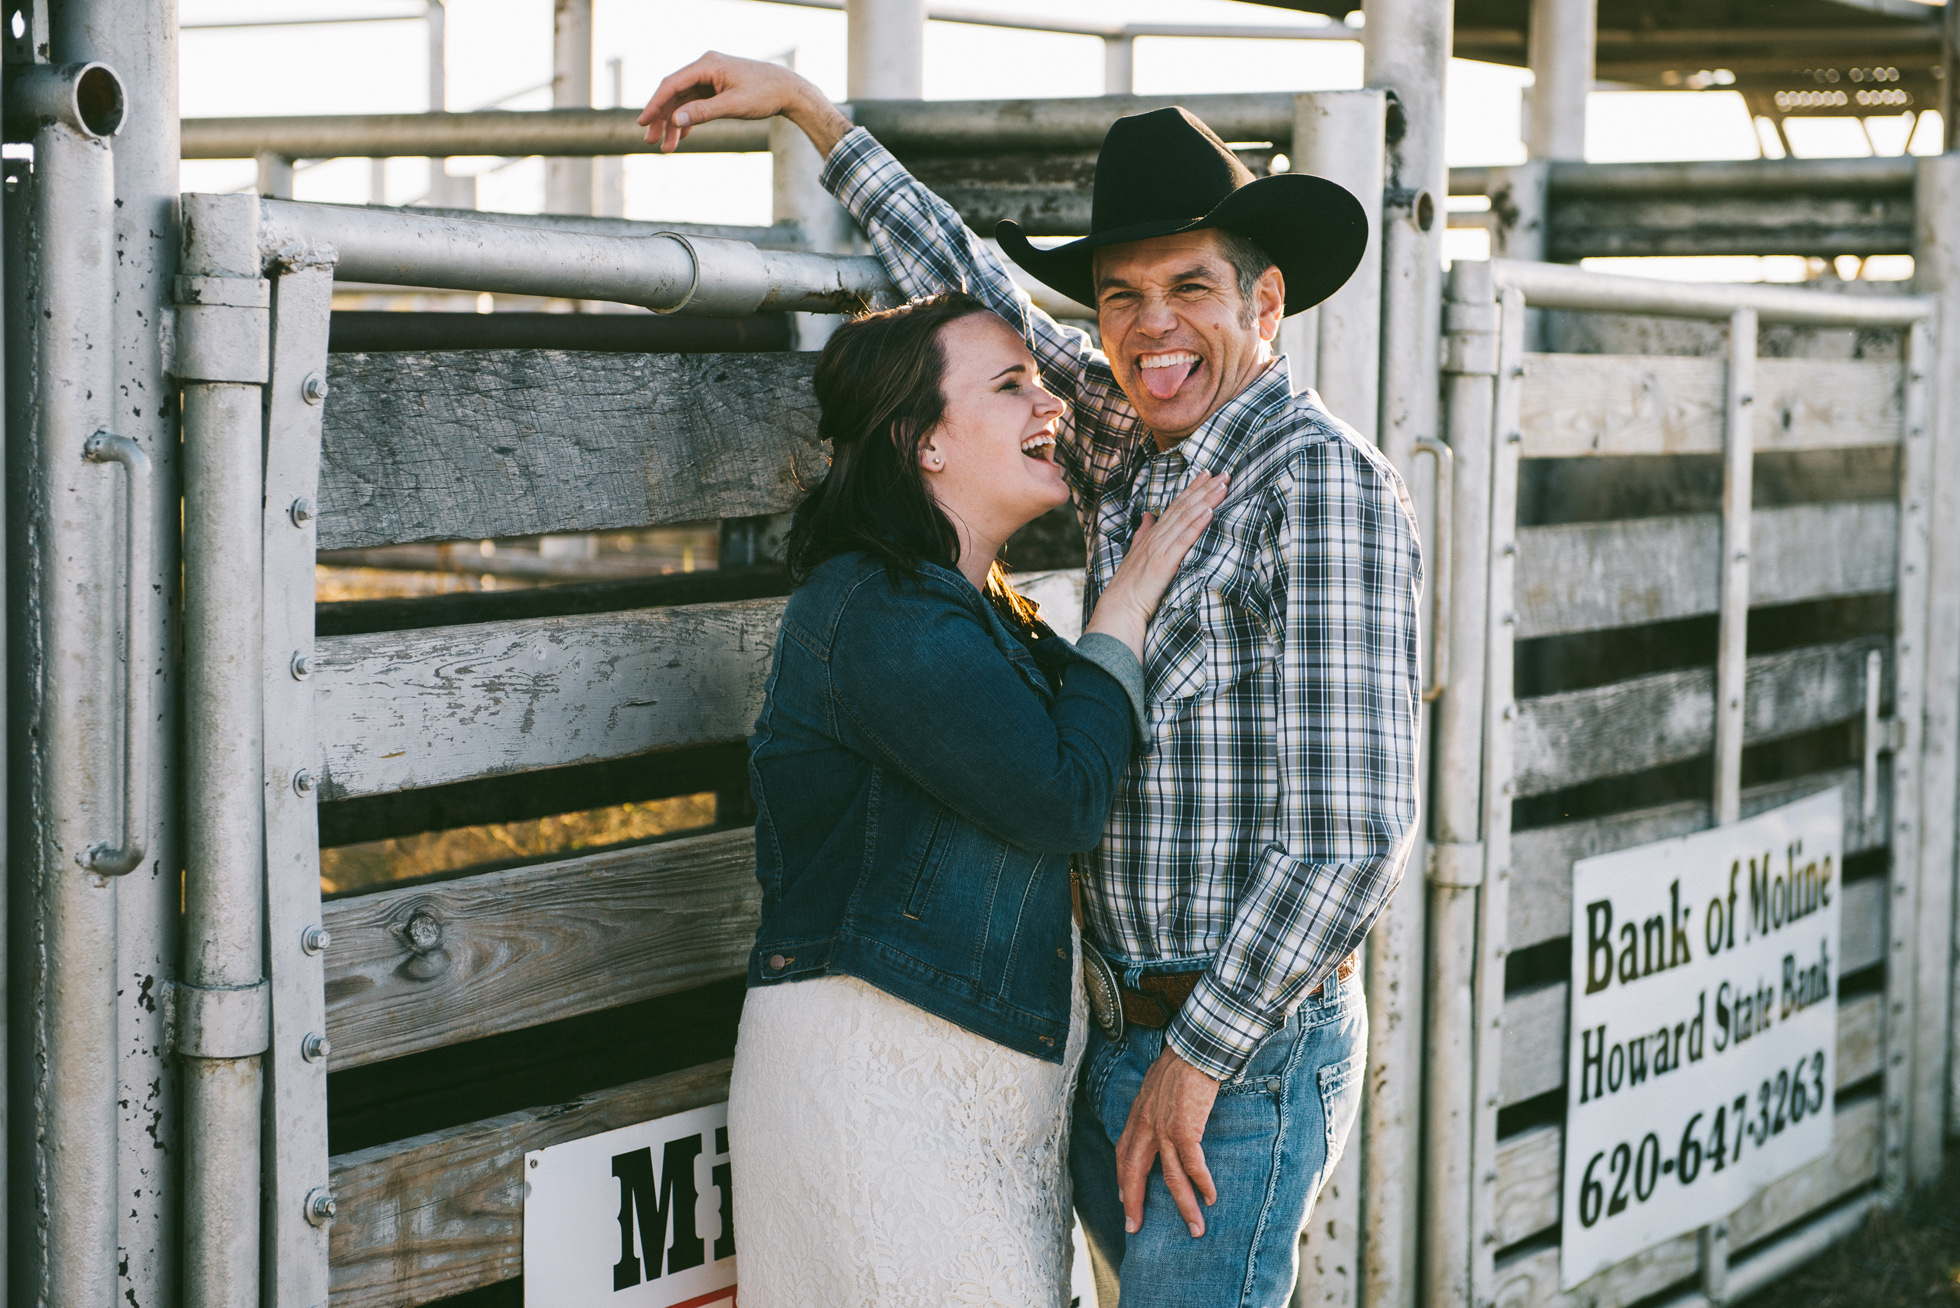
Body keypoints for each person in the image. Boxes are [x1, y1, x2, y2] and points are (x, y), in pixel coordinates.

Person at [643, 54, 1423, 1308]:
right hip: (1106, 1030)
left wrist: (1196, 1060)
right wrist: (811, 114)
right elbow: (973, 296)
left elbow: (1353, 836)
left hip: (1234, 1050)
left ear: (1266, 303)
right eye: (1121, 297)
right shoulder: (1131, 437)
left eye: (1190, 288)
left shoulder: (1319, 486)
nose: (1150, 326)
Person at [725, 287, 1228, 1306]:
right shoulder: (876, 610)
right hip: (880, 1094)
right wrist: (1123, 602)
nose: (1051, 404)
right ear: (922, 443)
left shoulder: (977, 611)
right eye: (1010, 386)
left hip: (989, 1103)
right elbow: (1059, 797)